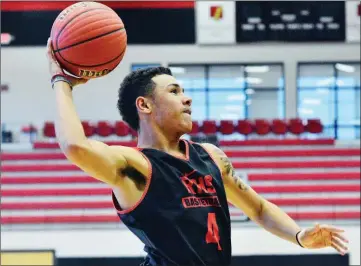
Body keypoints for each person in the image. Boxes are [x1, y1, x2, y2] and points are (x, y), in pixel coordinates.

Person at [46, 38, 349, 266]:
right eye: (174, 91)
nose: (187, 99)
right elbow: (75, 146)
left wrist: (299, 236)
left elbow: (257, 208)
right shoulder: (134, 166)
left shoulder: (211, 156)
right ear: (145, 105)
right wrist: (62, 82)